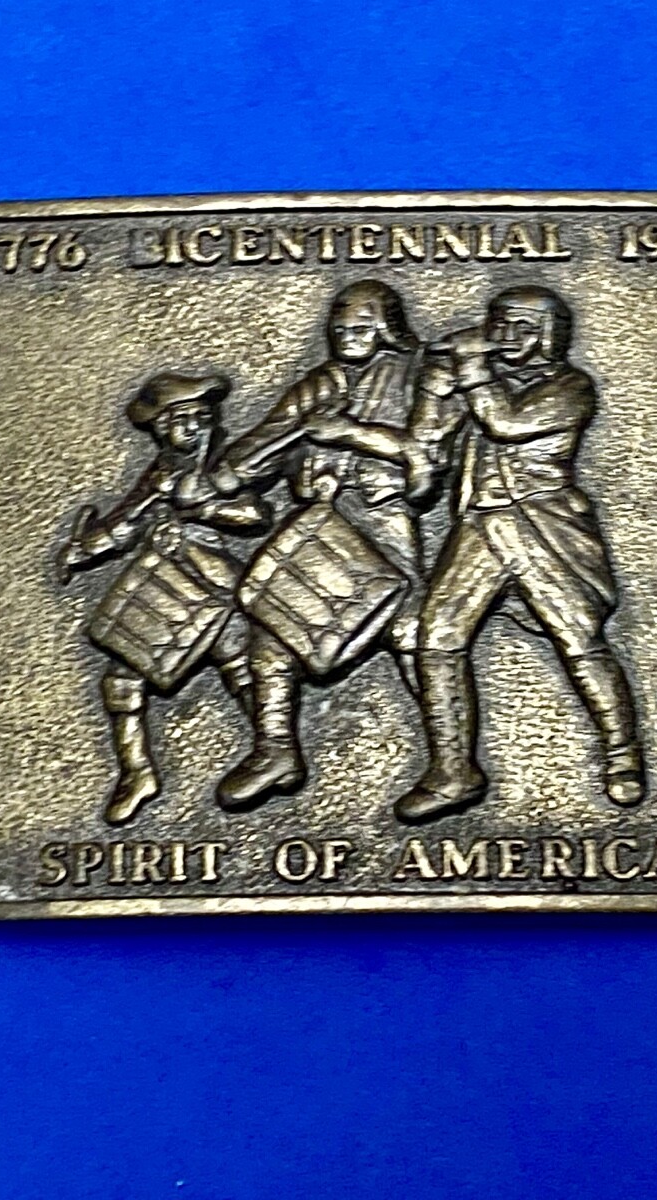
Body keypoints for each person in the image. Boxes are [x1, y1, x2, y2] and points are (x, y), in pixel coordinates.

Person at [395, 285, 646, 824]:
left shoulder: (571, 387)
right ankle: (454, 772)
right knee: (435, 637)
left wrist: (470, 369)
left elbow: (506, 424)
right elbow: (426, 441)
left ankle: (622, 754)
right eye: (501, 325)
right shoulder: (481, 380)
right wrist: (434, 389)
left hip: (544, 524)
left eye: (523, 328)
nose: (507, 337)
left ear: (549, 336)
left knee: (578, 640)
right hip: (481, 525)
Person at [208, 280, 433, 811]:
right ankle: (276, 750)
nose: (348, 337)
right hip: (318, 520)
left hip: (380, 518)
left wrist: (348, 433)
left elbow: (428, 453)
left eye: (362, 328)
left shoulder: (416, 376)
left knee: (407, 632)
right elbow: (271, 434)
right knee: (272, 629)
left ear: (387, 329)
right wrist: (232, 469)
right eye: (340, 328)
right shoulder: (320, 382)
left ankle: (450, 753)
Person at [57, 372, 271, 825]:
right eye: (176, 422)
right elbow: (126, 521)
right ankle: (138, 772)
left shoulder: (226, 463)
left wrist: (202, 507)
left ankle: (274, 751)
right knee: (123, 679)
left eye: (196, 418)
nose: (188, 429)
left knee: (244, 670)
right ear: (159, 429)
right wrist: (86, 548)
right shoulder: (163, 469)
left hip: (215, 585)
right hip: (168, 586)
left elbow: (255, 513)